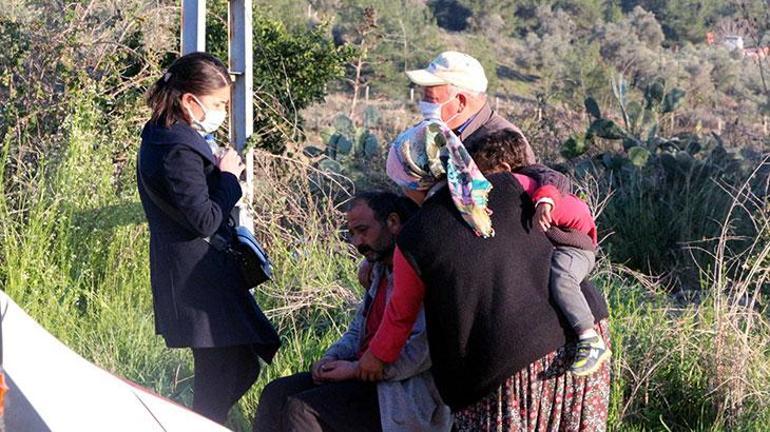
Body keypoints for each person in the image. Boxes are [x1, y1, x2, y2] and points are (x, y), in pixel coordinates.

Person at [358, 121, 611, 431]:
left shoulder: (413, 238)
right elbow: (574, 210)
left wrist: (376, 358)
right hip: (581, 337)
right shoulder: (513, 184)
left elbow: (399, 316)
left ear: (414, 182)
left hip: (504, 367)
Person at [137, 52, 280, 424]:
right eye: (217, 104)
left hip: (202, 277)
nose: (220, 111)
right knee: (219, 380)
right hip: (197, 282)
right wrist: (229, 177)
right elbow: (204, 219)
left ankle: (195, 423)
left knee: (241, 364)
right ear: (189, 101)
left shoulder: (167, 135)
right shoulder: (176, 148)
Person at [253, 191, 451, 432]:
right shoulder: (379, 272)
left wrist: (355, 371)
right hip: (364, 376)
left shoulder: (418, 274)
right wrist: (331, 359)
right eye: (352, 234)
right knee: (277, 392)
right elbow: (358, 330)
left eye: (363, 230)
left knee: (302, 409)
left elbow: (419, 353)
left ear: (393, 223)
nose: (357, 242)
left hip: (400, 393)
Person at [471, 129, 610, 376]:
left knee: (561, 275)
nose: (478, 181)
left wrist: (545, 200)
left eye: (483, 174)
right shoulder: (523, 183)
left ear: (504, 168)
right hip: (564, 241)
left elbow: (555, 180)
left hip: (576, 246)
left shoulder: (528, 184)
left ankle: (589, 337)